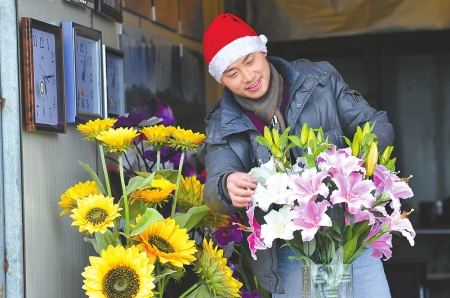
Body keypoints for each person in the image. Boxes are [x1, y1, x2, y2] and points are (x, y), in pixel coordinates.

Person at [202, 13, 393, 298]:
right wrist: (226, 186)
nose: (248, 77)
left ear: (263, 51)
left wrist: (359, 163)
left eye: (250, 61)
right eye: (232, 73)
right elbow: (216, 182)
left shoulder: (320, 79)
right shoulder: (221, 123)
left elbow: (375, 124)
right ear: (222, 80)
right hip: (289, 254)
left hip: (351, 236)